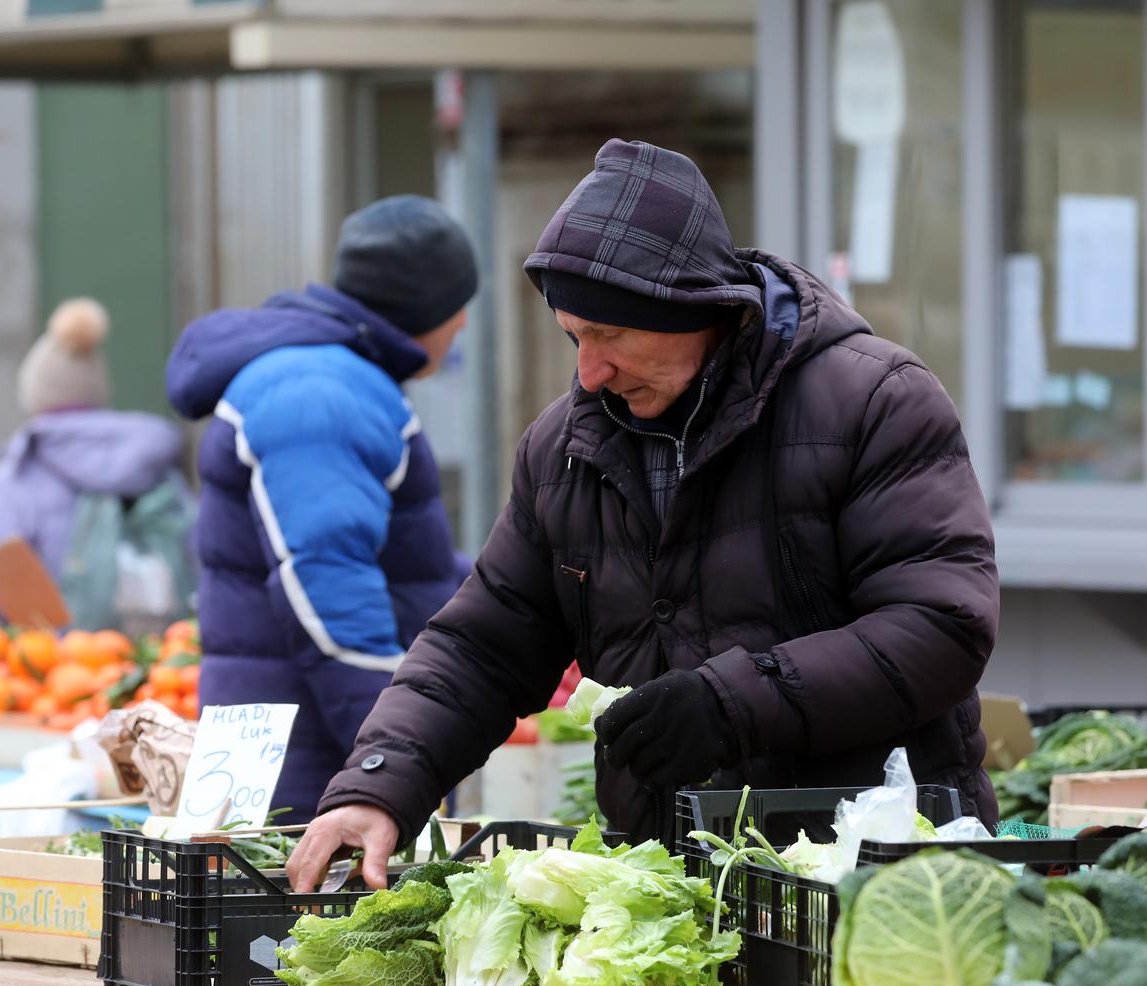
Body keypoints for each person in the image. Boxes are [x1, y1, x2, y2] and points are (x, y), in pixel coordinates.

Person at [289, 140, 1000, 892]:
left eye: (611, 335)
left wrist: (734, 702)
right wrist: (381, 782)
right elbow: (484, 646)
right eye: (574, 337)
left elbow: (941, 626)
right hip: (666, 886)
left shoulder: (875, 402)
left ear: (698, 305)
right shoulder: (562, 446)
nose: (588, 371)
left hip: (872, 879)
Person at [165, 195, 476, 819]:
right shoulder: (321, 393)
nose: (464, 324)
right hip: (306, 772)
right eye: (457, 305)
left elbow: (380, 558)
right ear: (423, 306)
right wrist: (391, 760)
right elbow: (328, 594)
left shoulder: (333, 380)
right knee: (288, 919)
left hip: (299, 749)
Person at [0, 298, 192, 629]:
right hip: (165, 667)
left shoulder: (22, 477)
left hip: (64, 671)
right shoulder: (156, 468)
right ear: (99, 392)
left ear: (35, 396)